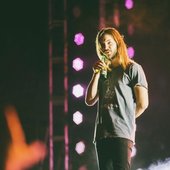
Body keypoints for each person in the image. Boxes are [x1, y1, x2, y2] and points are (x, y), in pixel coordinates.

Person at [85, 27, 149, 170]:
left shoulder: (132, 68)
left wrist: (125, 119)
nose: (105, 47)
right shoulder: (102, 72)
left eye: (109, 42)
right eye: (102, 44)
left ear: (117, 43)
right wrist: (95, 74)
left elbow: (143, 103)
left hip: (122, 134)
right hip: (102, 135)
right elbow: (89, 100)